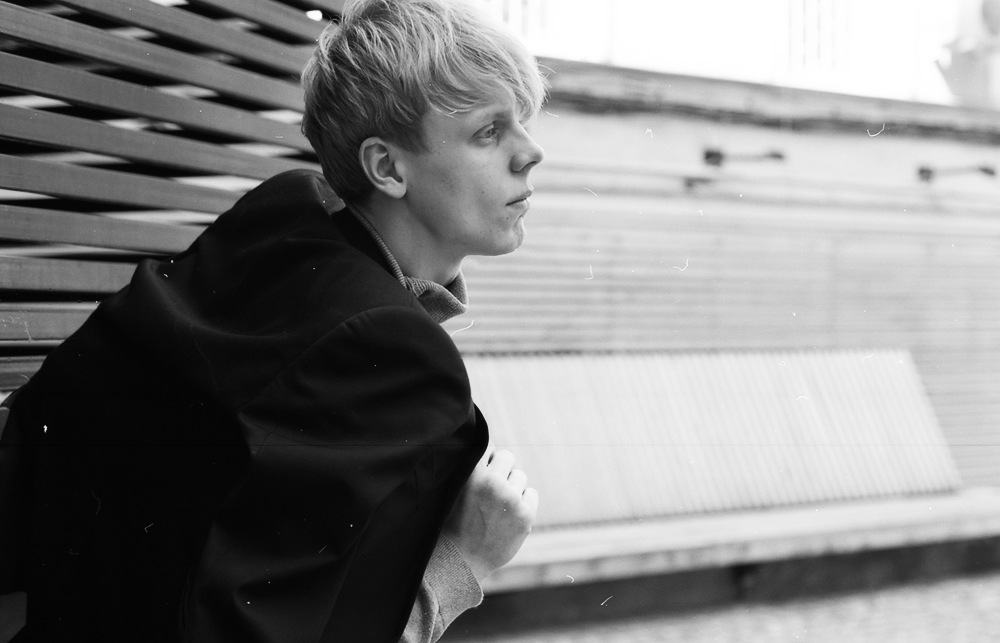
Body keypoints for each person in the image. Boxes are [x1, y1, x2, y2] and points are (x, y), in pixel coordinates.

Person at [0, 0, 546, 640]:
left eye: (524, 121)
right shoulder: (389, 351)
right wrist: (465, 559)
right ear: (387, 168)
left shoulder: (277, 235)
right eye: (489, 132)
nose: (531, 152)